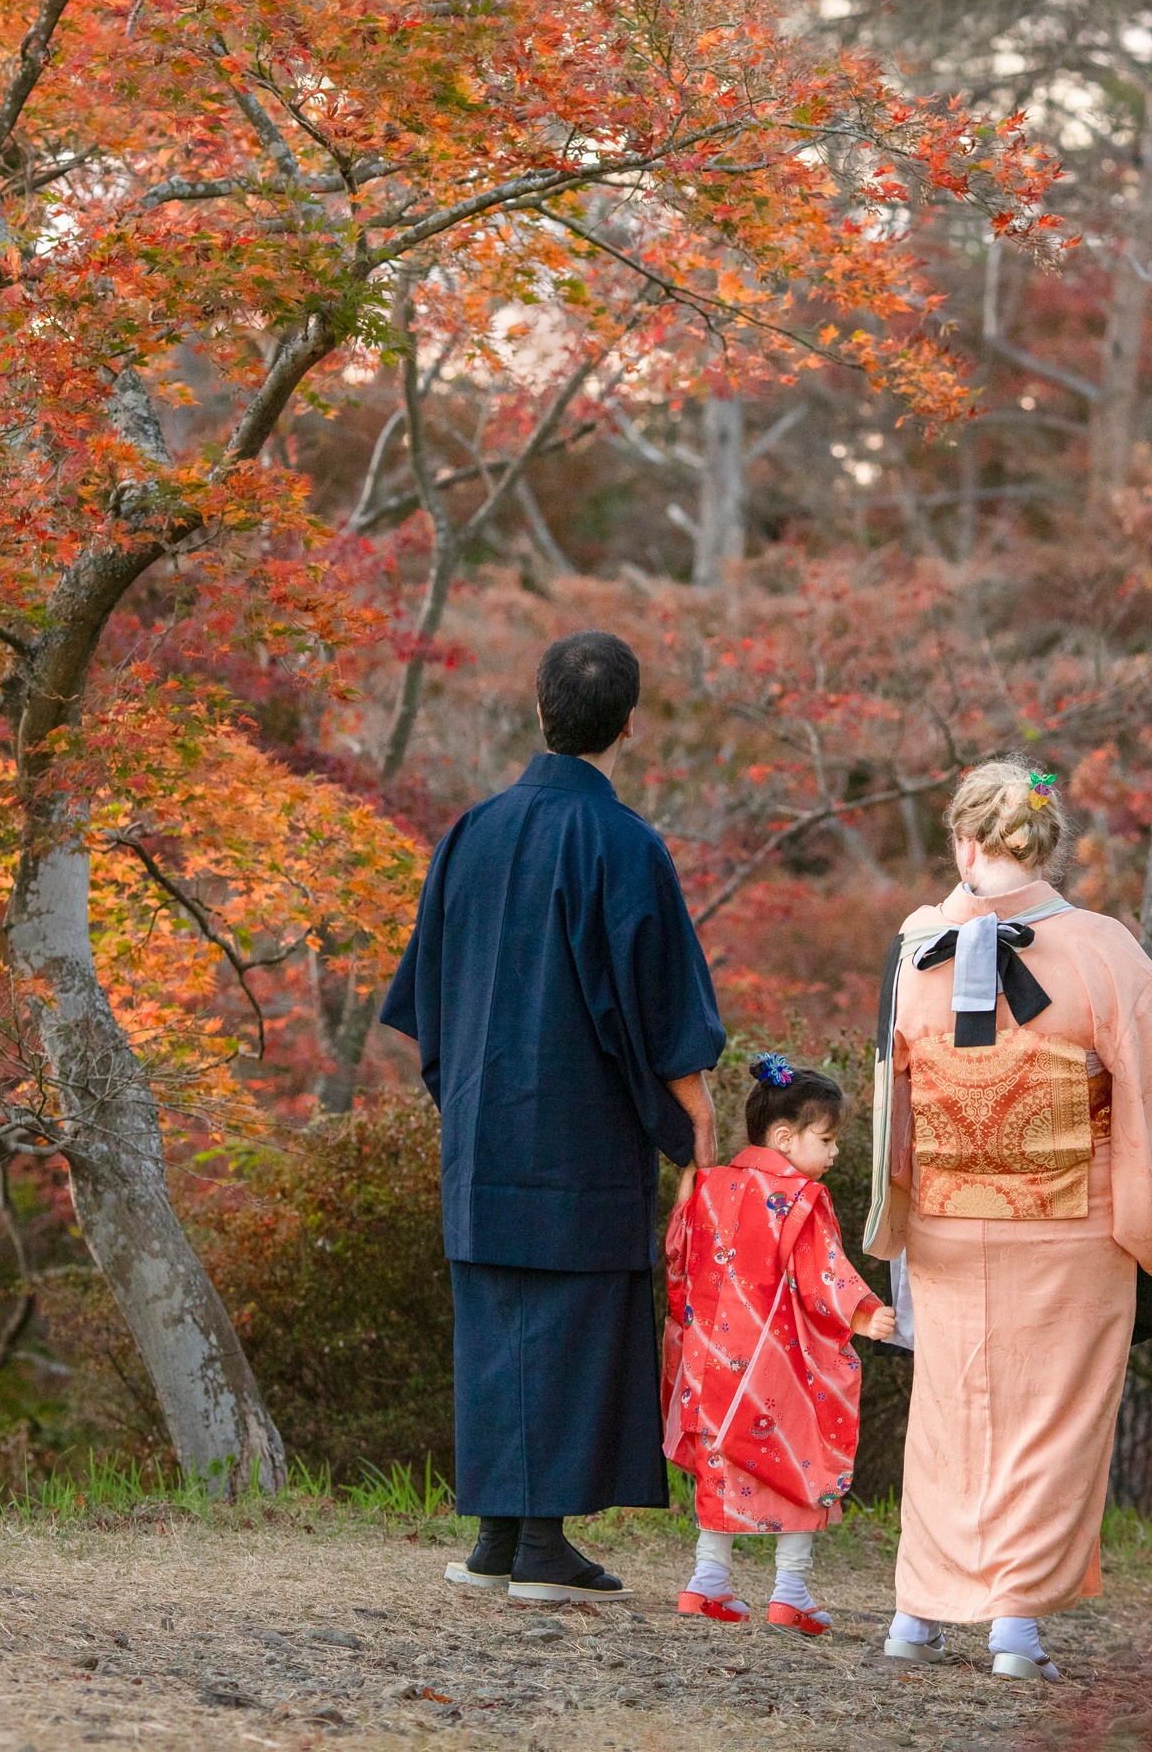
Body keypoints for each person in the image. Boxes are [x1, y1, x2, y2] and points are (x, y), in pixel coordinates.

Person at [379, 631, 727, 1602]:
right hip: (579, 1133)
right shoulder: (625, 844)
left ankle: (499, 1536)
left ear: (539, 710)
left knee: (500, 1326)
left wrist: (464, 1095)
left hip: (483, 1125)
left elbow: (429, 997)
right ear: (629, 723)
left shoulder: (471, 832)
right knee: (568, 1328)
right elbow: (663, 1012)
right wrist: (697, 1126)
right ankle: (536, 1546)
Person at [864, 758, 1152, 1680]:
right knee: (1051, 1419)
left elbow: (894, 1098)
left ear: (965, 843)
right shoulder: (1102, 947)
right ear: (1048, 842)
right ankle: (1014, 1629)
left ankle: (916, 1614)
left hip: (947, 1216)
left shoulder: (915, 948)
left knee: (948, 1413)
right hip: (1069, 1222)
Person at [663, 1055, 898, 1634]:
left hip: (712, 1363)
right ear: (785, 1138)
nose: (835, 1152)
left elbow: (678, 1259)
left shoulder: (710, 1184)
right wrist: (864, 1314)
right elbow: (823, 1273)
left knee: (722, 1466)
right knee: (801, 1463)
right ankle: (790, 1592)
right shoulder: (800, 1198)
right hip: (778, 1366)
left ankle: (707, 1584)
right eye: (827, 1139)